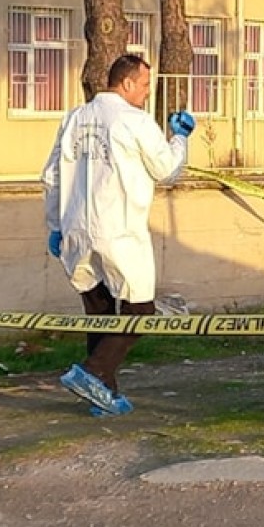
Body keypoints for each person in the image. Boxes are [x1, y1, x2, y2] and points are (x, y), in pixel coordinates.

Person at [41, 54, 195, 417]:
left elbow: (51, 176)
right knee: (139, 310)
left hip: (76, 230)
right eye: (144, 85)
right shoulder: (134, 120)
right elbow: (167, 170)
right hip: (119, 230)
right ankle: (93, 372)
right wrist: (180, 138)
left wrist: (55, 226)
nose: (146, 93)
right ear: (126, 83)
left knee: (99, 312)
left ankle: (103, 394)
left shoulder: (74, 119)